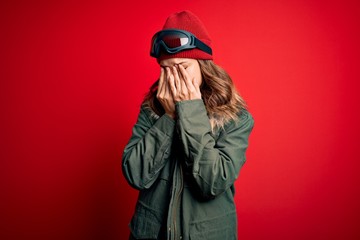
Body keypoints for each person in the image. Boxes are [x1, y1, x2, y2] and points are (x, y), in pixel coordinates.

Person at [122, 10, 254, 240]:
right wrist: (169, 117)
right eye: (165, 68)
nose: (174, 77)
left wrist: (189, 110)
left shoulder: (235, 117)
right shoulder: (151, 110)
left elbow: (212, 181)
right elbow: (135, 175)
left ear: (203, 66)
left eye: (182, 67)